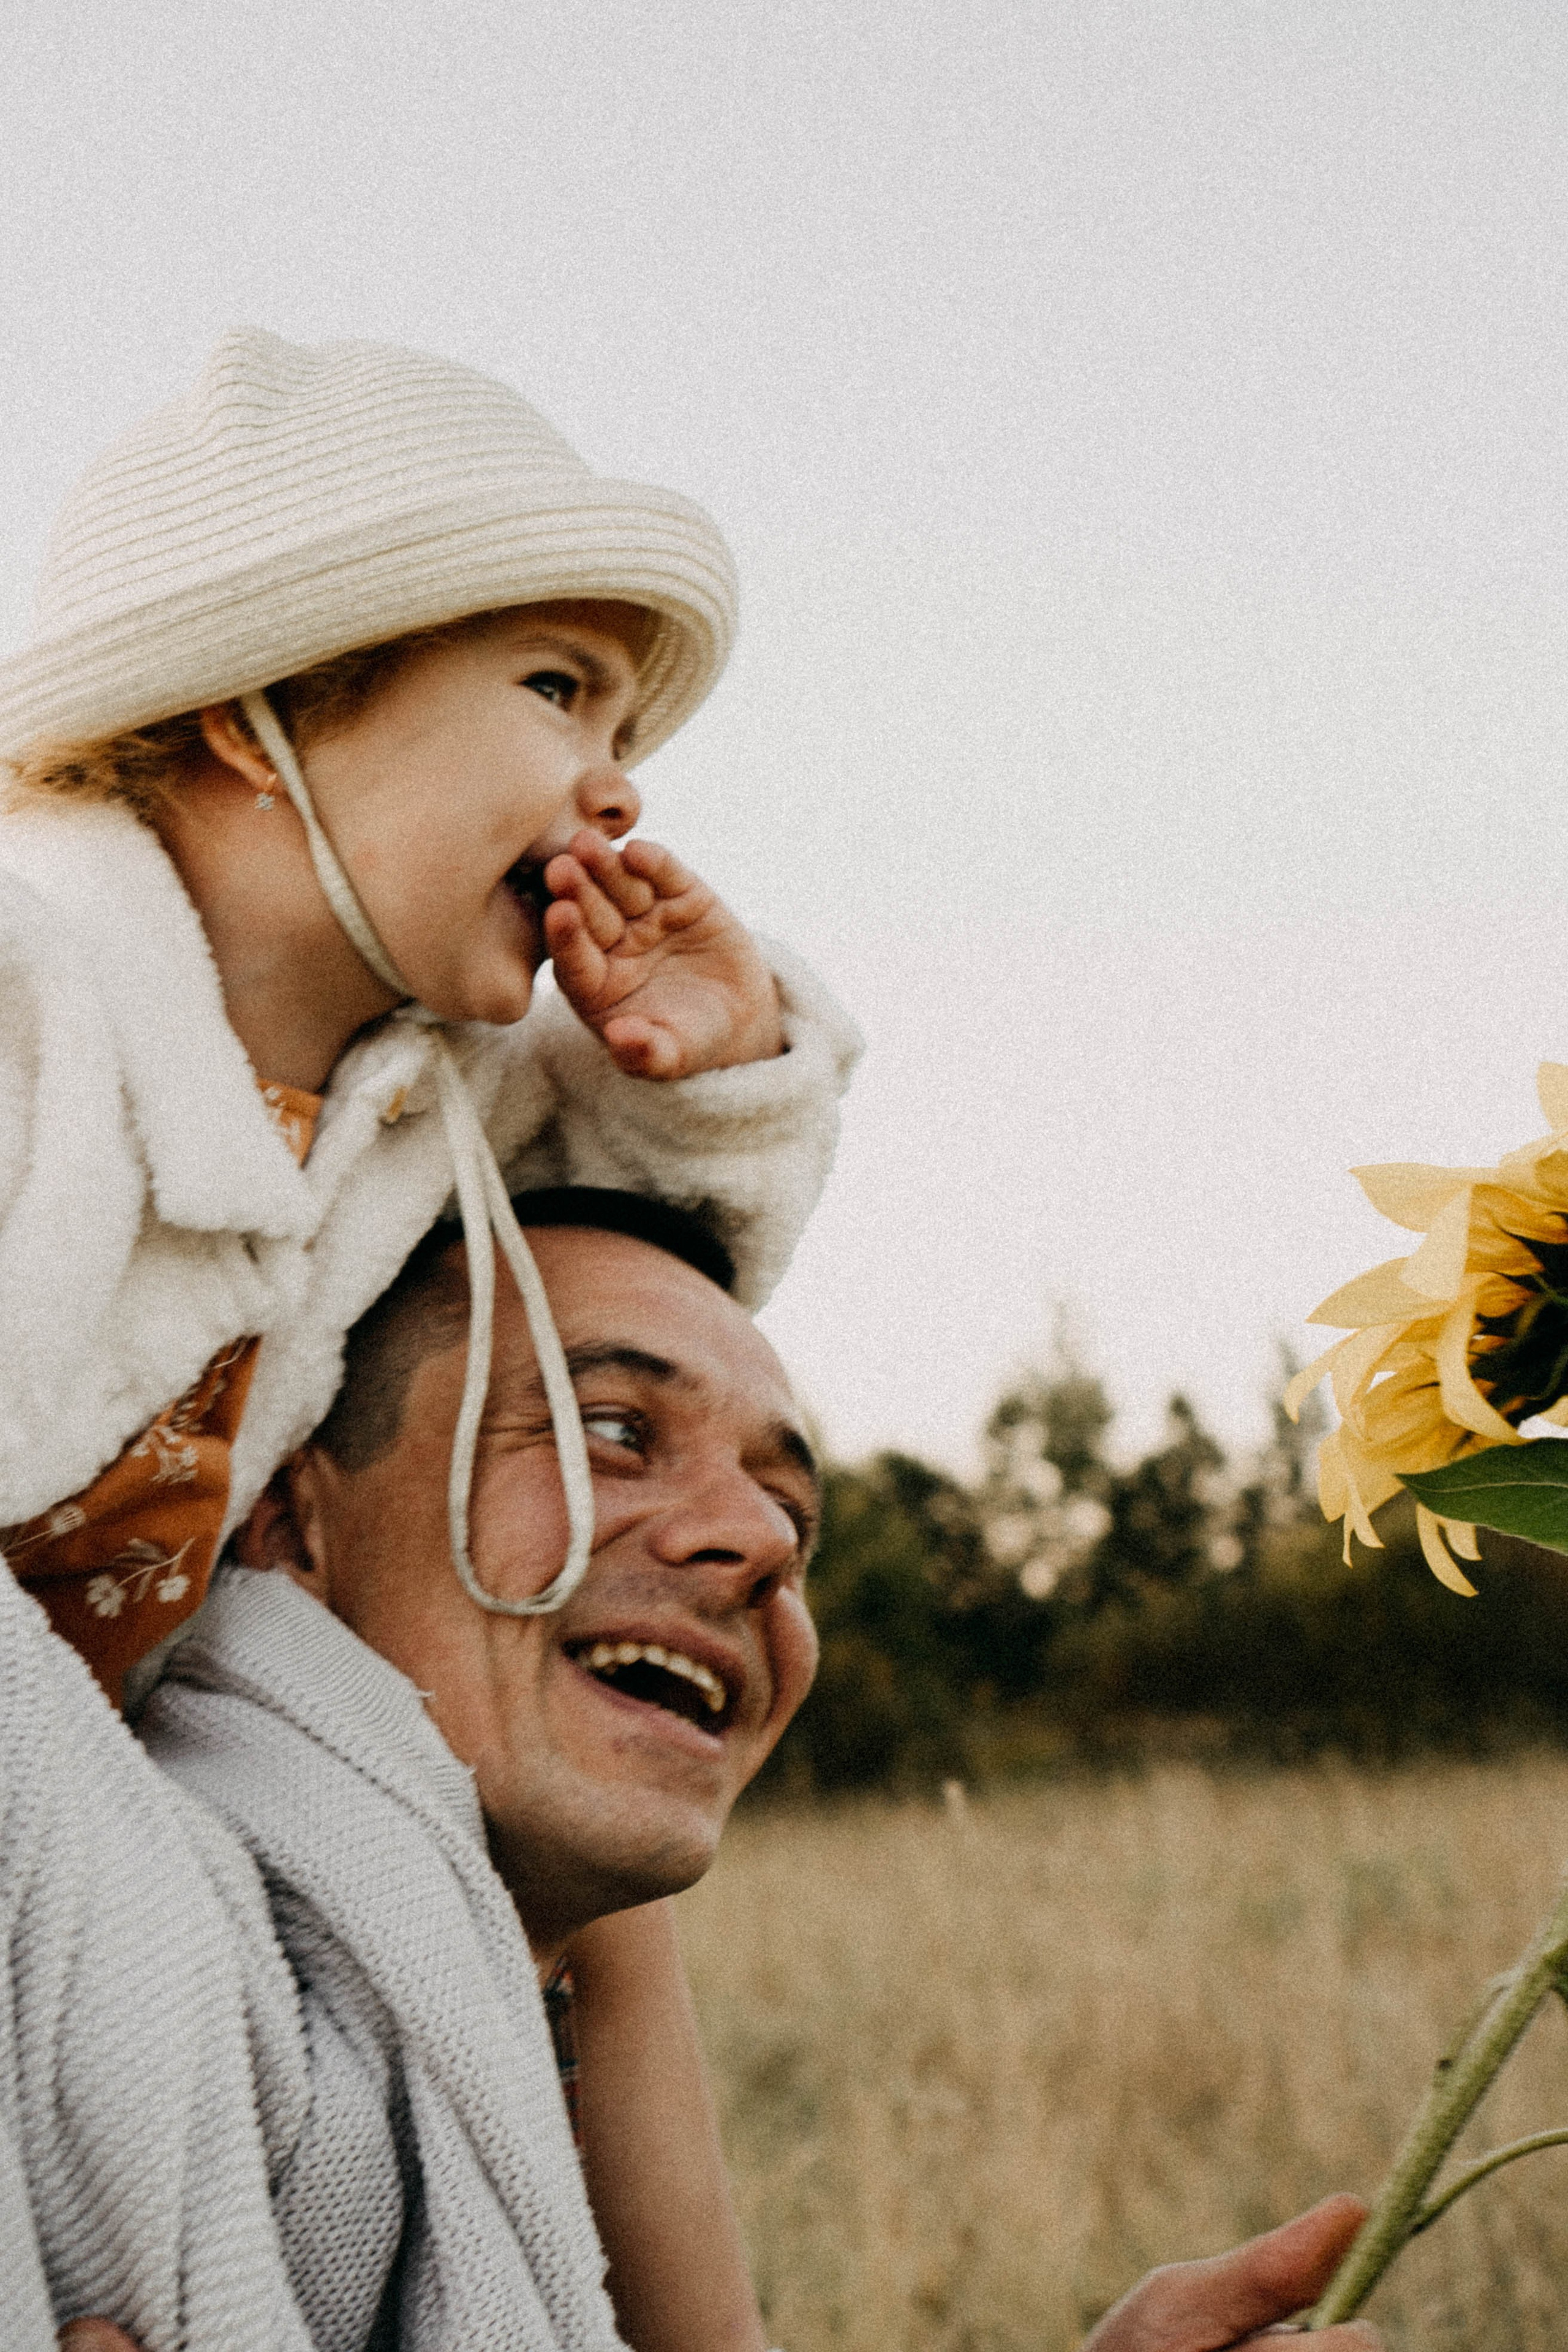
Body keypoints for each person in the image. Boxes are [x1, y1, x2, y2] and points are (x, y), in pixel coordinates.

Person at [0, 330, 859, 2346]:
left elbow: (631, 1258)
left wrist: (710, 1065)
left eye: (626, 722)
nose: (618, 781)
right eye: (558, 690)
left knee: (410, 1880)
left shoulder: (411, 1105)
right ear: (263, 711)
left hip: (96, 1802)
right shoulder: (37, 988)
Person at [110, 1189, 1378, 2352]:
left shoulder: (548, 1955)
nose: (762, 1540)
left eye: (794, 1515)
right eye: (613, 1431)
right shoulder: (92, 1947)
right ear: (289, 1520)